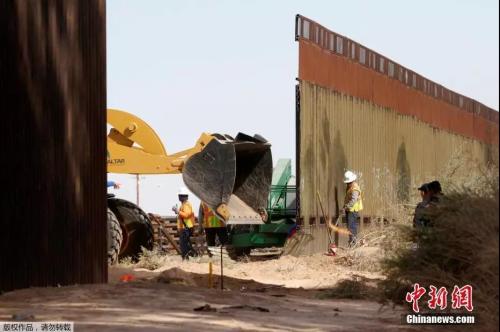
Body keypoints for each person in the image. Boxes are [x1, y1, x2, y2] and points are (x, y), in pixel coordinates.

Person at [172, 187, 195, 260]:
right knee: (186, 245)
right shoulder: (183, 205)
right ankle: (192, 257)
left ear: (184, 196)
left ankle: (186, 258)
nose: (179, 197)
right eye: (179, 195)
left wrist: (177, 211)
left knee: (184, 245)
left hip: (186, 228)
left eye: (180, 195)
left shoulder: (186, 205)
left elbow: (186, 215)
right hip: (184, 228)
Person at [342, 170, 363, 246]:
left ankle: (353, 243)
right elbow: (348, 198)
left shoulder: (355, 188)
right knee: (350, 227)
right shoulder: (350, 186)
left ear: (351, 180)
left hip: (353, 210)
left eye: (348, 182)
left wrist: (346, 207)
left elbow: (353, 200)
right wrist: (345, 206)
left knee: (352, 227)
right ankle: (352, 242)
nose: (347, 184)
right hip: (349, 209)